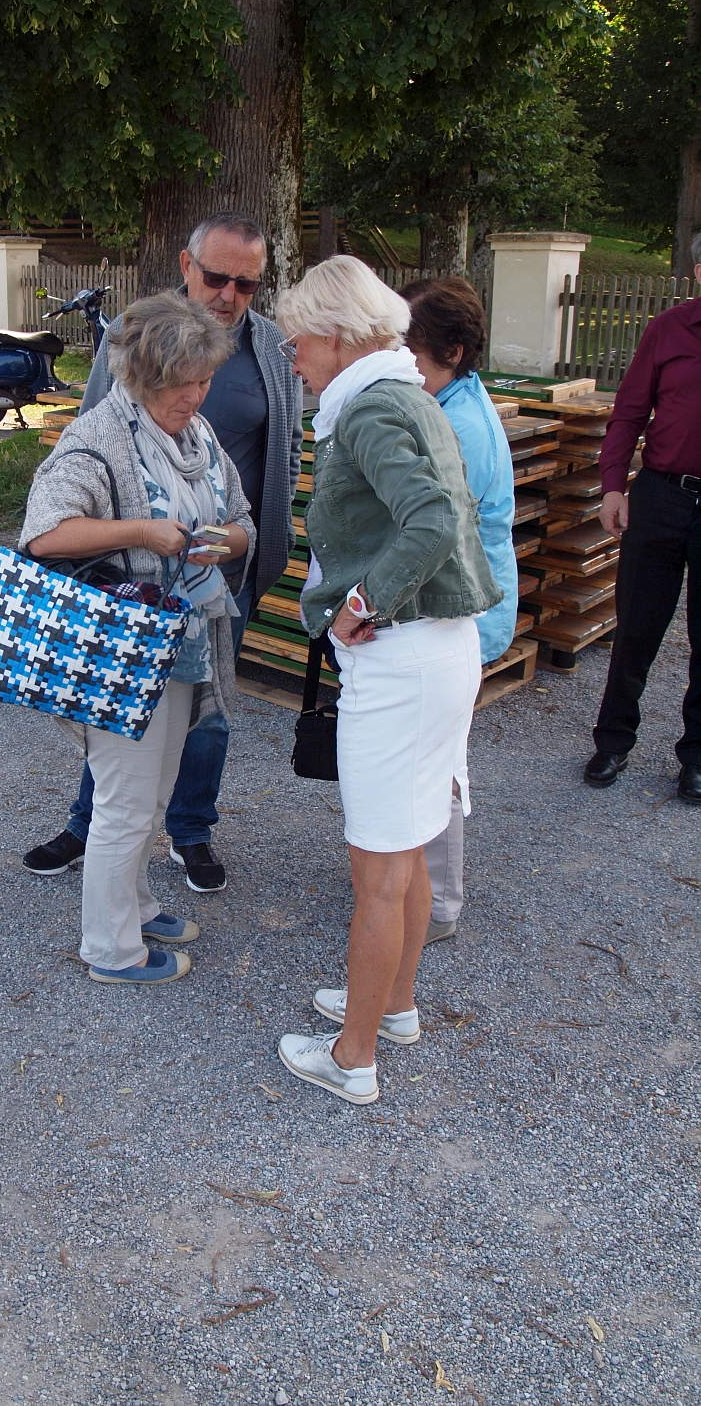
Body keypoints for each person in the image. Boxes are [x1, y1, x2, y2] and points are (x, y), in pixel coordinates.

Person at [273, 257, 500, 1104]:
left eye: (298, 342)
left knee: (379, 870)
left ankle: (351, 1058)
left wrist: (358, 603)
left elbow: (434, 519)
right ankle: (393, 1006)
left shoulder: (368, 407)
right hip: (439, 652)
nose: (293, 357)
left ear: (334, 336)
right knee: (404, 851)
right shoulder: (405, 391)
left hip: (402, 659)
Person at [22, 211, 303, 892]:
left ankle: (190, 831)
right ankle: (91, 827)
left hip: (215, 574)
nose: (230, 294)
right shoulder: (134, 336)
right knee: (117, 701)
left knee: (206, 711)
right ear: (185, 266)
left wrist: (243, 540)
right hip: (131, 582)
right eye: (217, 277)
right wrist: (128, 534)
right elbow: (93, 436)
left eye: (247, 283)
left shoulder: (268, 346)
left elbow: (285, 448)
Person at [19, 292, 256, 985]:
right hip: (117, 648)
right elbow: (43, 534)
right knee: (124, 804)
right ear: (143, 378)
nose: (196, 394)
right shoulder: (98, 439)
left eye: (204, 378)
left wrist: (225, 541)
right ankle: (110, 950)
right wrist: (142, 532)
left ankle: (137, 903)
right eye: (182, 382)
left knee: (151, 795)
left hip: (178, 641)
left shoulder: (196, 437)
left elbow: (239, 516)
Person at [400, 276, 518, 944]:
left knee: (436, 757)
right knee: (426, 750)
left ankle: (437, 903)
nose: (398, 359)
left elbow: (430, 537)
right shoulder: (449, 399)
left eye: (409, 346)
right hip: (461, 604)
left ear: (452, 348)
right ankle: (410, 880)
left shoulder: (458, 425)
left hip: (464, 613)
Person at [583, 231, 701, 803]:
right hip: (661, 495)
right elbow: (628, 413)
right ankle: (613, 740)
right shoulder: (668, 331)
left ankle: (696, 758)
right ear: (698, 271)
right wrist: (612, 487)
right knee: (636, 626)